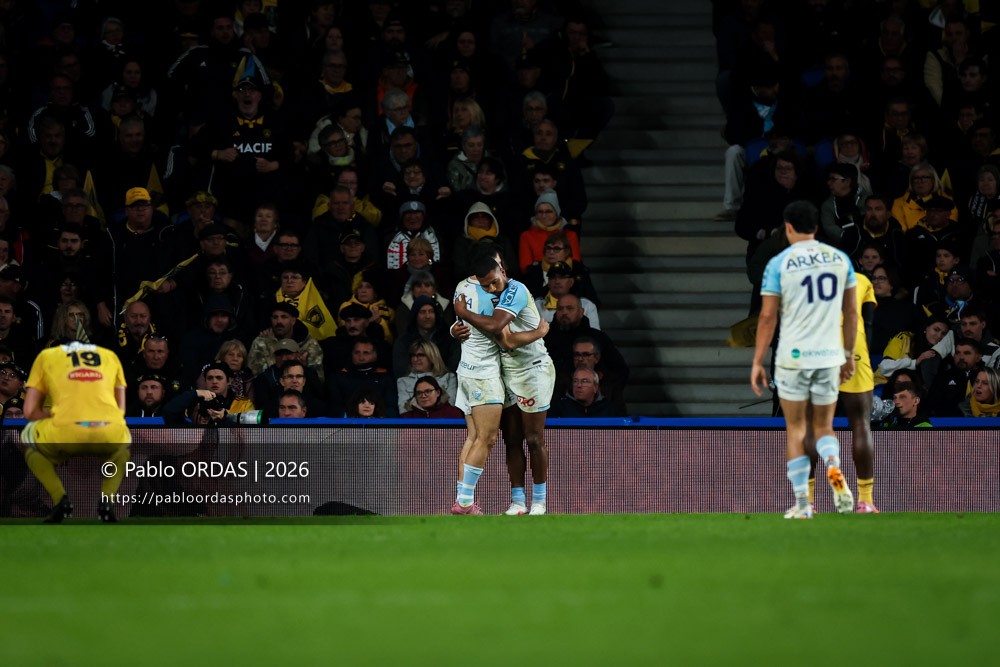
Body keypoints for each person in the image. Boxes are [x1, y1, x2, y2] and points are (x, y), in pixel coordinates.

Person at [751, 201, 858, 519]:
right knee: (825, 426)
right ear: (817, 226)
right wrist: (848, 355)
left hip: (793, 358)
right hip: (828, 356)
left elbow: (768, 317)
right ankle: (836, 472)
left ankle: (803, 504)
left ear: (787, 227)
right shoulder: (840, 259)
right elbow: (850, 312)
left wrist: (757, 361)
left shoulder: (778, 263)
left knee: (796, 428)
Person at [453, 251, 556, 516]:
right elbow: (500, 337)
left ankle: (540, 502)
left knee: (533, 438)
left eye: (494, 281)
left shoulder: (516, 290)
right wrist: (456, 325)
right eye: (485, 284)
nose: (491, 287)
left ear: (503, 270)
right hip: (505, 371)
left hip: (532, 370)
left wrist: (462, 313)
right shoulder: (482, 292)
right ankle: (518, 501)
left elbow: (503, 335)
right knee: (510, 439)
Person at [20, 340, 131, 523]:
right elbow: (121, 410)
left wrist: (56, 420)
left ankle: (60, 499)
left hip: (64, 433)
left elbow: (30, 412)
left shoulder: (46, 356)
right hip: (108, 431)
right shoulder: (110, 356)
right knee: (123, 444)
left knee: (26, 439)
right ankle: (107, 500)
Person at [395, 339, 456, 415]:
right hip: (415, 424)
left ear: (432, 356)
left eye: (420, 355)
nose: (415, 359)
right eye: (412, 355)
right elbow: (403, 411)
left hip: (443, 422)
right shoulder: (403, 381)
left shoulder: (449, 377)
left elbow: (451, 408)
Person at [550, 368, 621, 418]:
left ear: (595, 387)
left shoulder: (609, 409)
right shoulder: (558, 407)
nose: (579, 385)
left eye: (584, 381)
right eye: (575, 381)